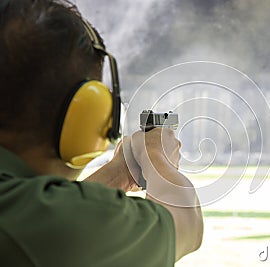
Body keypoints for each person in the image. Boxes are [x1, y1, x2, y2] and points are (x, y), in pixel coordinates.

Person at [0, 0, 203, 266]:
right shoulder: (32, 223)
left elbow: (45, 218)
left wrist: (117, 172)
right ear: (88, 117)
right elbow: (186, 226)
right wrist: (155, 156)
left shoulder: (19, 211)